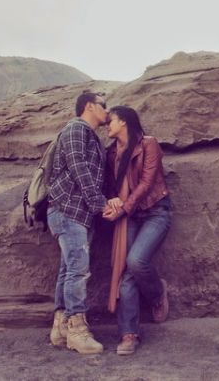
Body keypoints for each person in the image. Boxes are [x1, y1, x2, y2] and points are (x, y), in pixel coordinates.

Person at [102, 105, 172, 355]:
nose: (106, 125)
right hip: (129, 215)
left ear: (124, 122)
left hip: (155, 210)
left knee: (135, 260)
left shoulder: (149, 144)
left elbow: (146, 182)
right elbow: (110, 186)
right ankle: (128, 333)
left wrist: (124, 208)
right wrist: (111, 203)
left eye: (110, 121)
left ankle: (156, 294)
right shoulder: (111, 154)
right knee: (125, 270)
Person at [47, 90, 109, 355]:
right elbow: (78, 166)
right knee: (78, 271)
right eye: (104, 106)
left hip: (75, 213)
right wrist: (99, 203)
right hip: (69, 210)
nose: (107, 111)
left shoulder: (88, 135)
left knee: (69, 269)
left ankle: (60, 329)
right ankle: (77, 331)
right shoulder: (76, 128)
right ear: (89, 106)